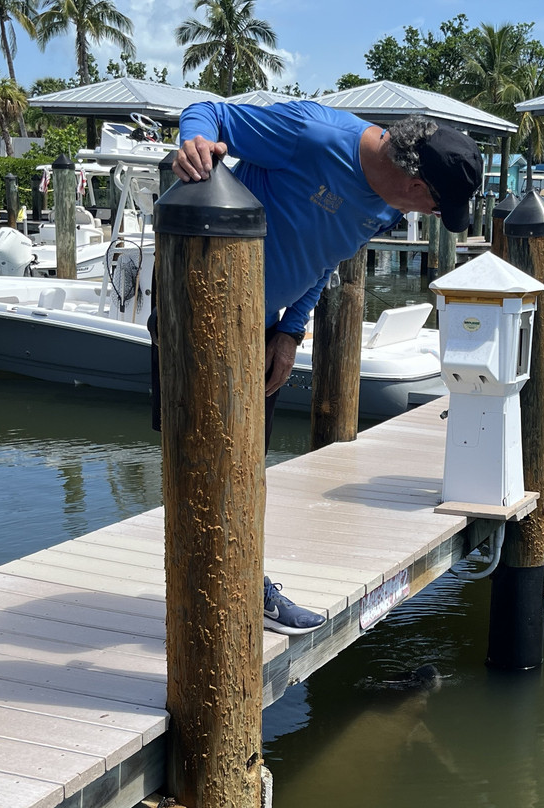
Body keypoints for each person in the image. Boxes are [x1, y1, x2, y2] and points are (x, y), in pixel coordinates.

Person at [161, 100, 484, 635]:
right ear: (415, 180)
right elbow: (208, 111)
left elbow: (325, 258)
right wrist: (194, 140)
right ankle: (209, 605)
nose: (425, 216)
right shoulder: (311, 133)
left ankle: (240, 589)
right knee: (201, 456)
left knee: (243, 461)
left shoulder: (388, 206)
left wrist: (290, 332)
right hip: (199, 311)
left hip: (261, 328)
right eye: (434, 205)